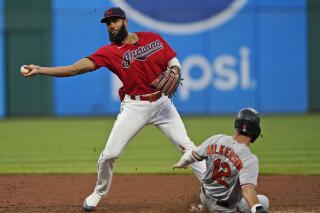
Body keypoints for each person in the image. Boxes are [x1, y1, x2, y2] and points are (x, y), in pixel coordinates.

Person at [20, 7, 205, 211]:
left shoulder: (152, 38)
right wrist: (39, 70)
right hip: (135, 106)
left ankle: (213, 189)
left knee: (186, 146)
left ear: (125, 21)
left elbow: (173, 61)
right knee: (110, 154)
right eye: (108, 23)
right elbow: (73, 69)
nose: (111, 25)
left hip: (162, 104)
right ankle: (98, 193)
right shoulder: (109, 52)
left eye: (115, 21)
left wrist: (175, 70)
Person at [173, 108, 269, 213]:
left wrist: (181, 163)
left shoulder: (217, 139)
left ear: (237, 124)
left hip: (204, 197)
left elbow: (193, 155)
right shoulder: (249, 159)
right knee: (264, 202)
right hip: (223, 209)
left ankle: (203, 208)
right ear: (256, 131)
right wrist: (257, 208)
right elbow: (247, 190)